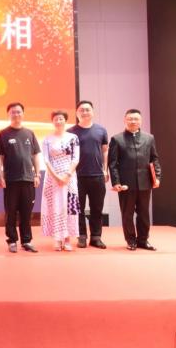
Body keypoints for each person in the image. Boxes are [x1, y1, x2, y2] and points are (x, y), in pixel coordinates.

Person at [109, 109, 161, 251]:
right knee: (127, 214)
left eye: (136, 119)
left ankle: (143, 240)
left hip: (145, 182)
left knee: (144, 213)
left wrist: (157, 177)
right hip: (125, 183)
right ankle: (131, 240)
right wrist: (116, 182)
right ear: (125, 120)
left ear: (140, 121)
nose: (133, 121)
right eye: (130, 119)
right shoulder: (117, 139)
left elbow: (154, 159)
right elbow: (113, 163)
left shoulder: (149, 138)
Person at [0, 102, 41, 253]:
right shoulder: (3, 134)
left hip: (28, 179)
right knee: (11, 212)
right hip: (11, 180)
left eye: (18, 112)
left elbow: (35, 155)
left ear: (23, 114)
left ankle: (26, 241)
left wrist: (37, 174)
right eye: (13, 112)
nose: (16, 114)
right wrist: (1, 176)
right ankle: (12, 241)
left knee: (26, 212)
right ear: (8, 114)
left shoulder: (29, 133)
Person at [68, 100, 109, 249]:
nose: (85, 112)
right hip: (76, 177)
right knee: (78, 208)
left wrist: (106, 170)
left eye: (87, 109)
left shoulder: (101, 130)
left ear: (92, 112)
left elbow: (105, 151)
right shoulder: (70, 132)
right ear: (77, 113)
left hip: (97, 175)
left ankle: (96, 237)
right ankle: (82, 236)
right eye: (81, 110)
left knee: (97, 208)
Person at [41, 111, 80, 251]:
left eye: (61, 119)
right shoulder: (47, 139)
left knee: (68, 207)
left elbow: (76, 158)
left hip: (70, 176)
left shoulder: (73, 138)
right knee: (55, 206)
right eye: (56, 119)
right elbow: (46, 160)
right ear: (52, 121)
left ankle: (68, 239)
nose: (58, 121)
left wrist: (67, 175)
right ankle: (57, 239)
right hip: (52, 177)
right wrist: (57, 177)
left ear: (65, 120)